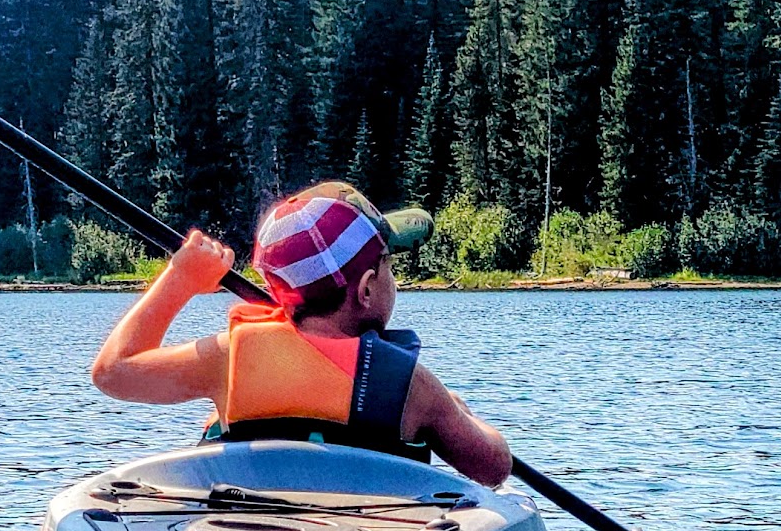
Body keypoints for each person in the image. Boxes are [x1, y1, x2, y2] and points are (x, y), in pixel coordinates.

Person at [90, 182, 513, 486]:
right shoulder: (410, 387)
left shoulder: (231, 359)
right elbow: (493, 467)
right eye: (388, 264)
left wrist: (179, 278)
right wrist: (458, 413)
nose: (392, 276)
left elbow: (113, 371)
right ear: (367, 289)